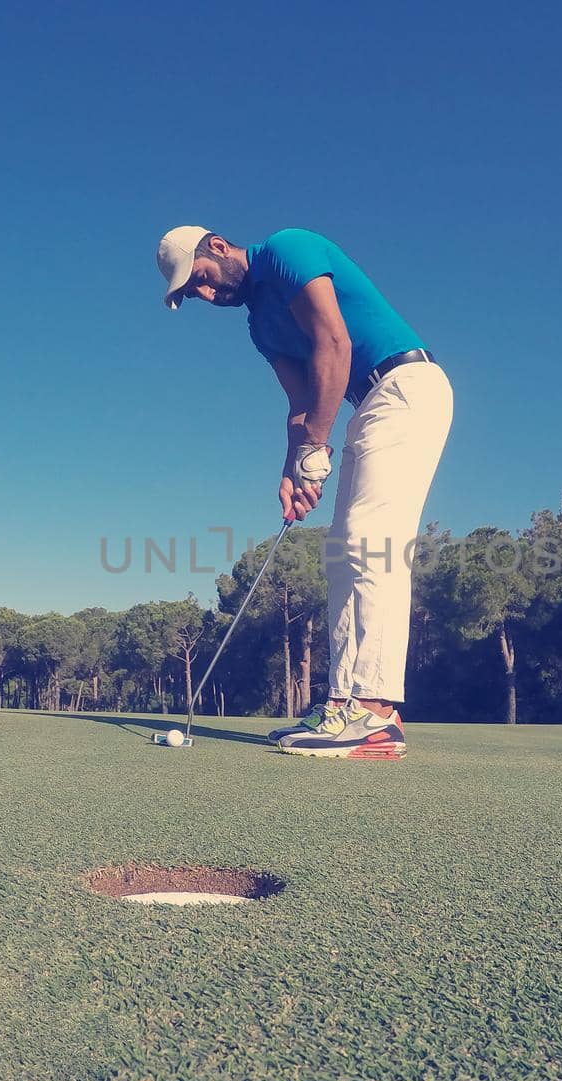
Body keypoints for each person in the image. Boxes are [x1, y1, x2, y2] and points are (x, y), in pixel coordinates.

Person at [157, 226, 453, 759]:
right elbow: (300, 405)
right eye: (193, 294)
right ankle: (343, 700)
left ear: (218, 247)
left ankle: (378, 712)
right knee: (342, 553)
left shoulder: (287, 249)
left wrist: (316, 449)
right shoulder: (259, 329)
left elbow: (333, 344)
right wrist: (294, 469)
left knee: (372, 541)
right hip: (367, 406)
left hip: (407, 387)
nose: (206, 295)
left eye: (199, 279)